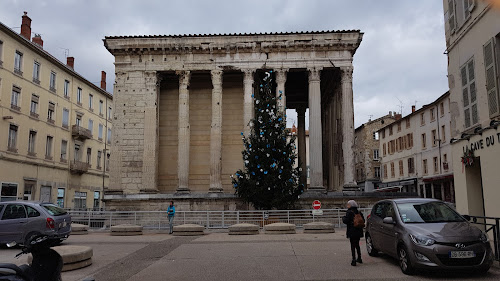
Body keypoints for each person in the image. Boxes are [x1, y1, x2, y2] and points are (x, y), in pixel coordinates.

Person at [342, 200, 364, 266]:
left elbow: (346, 221)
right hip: (358, 230)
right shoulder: (359, 212)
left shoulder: (349, 212)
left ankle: (353, 259)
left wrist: (343, 218)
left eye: (348, 204)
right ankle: (359, 258)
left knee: (352, 245)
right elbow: (363, 220)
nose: (347, 205)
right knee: (357, 244)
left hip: (352, 230)